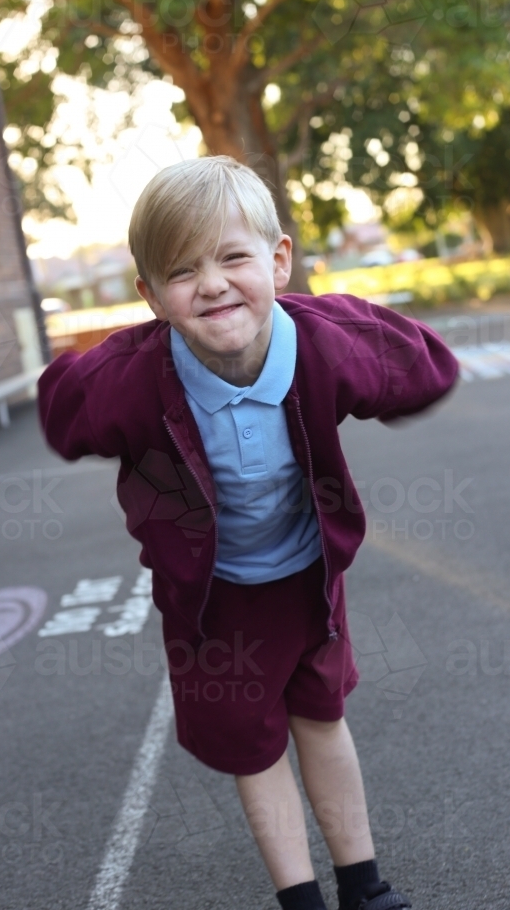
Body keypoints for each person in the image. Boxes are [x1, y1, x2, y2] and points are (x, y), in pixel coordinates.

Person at [38, 155, 459, 910]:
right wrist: (83, 407)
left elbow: (417, 362)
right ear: (150, 297)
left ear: (278, 261)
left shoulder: (322, 343)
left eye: (234, 258)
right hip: (213, 602)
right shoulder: (135, 376)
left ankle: (364, 885)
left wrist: (407, 374)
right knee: (254, 748)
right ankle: (299, 897)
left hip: (306, 580)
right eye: (181, 271)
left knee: (322, 719)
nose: (211, 283)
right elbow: (66, 405)